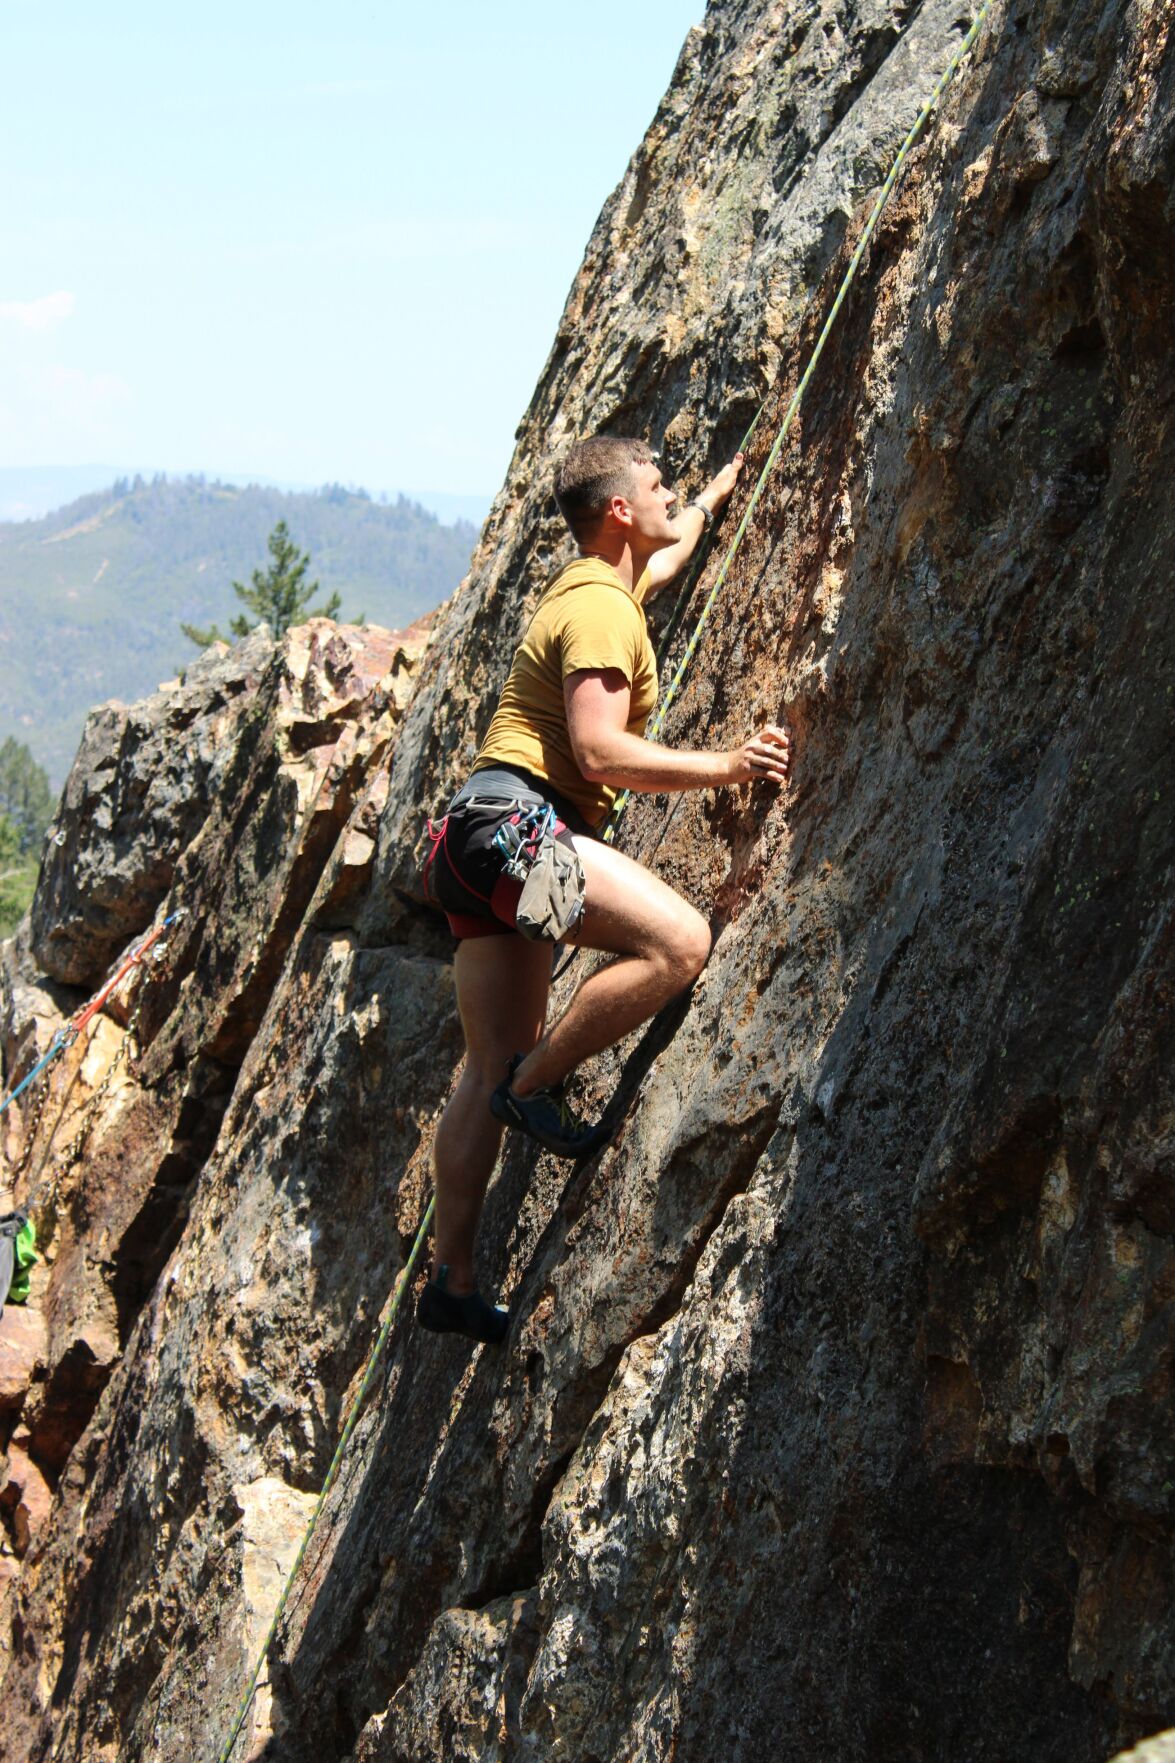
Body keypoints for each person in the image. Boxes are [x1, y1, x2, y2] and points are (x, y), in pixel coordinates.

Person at [416, 434, 790, 1344]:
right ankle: (537, 1082)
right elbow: (597, 751)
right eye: (657, 484)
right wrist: (728, 764)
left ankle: (452, 1282)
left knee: (479, 1065)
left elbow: (666, 554)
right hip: (519, 829)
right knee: (678, 944)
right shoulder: (598, 613)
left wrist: (718, 491)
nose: (670, 494)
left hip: (473, 842)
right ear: (619, 508)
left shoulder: (598, 587)